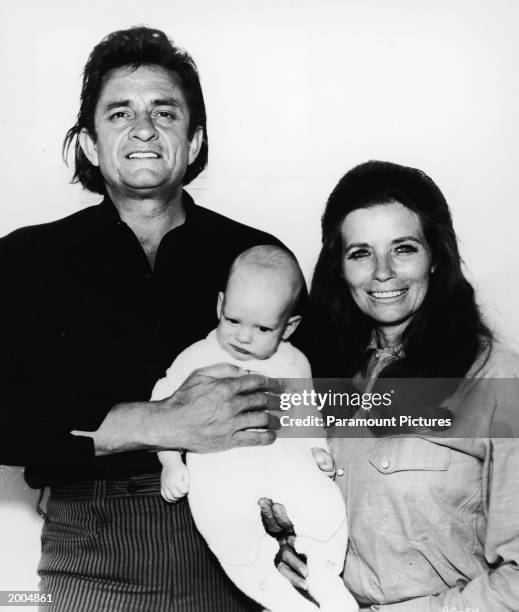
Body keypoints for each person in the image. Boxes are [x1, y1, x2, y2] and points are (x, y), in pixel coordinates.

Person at [0, 26, 293, 612]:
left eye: (165, 111)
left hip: (241, 546)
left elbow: (314, 397)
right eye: (119, 113)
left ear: (194, 138)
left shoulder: (259, 259)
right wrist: (158, 423)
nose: (143, 129)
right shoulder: (23, 259)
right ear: (89, 142)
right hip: (91, 554)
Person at [262, 161, 519, 611]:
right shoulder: (318, 373)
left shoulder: (499, 381)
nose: (382, 271)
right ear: (339, 268)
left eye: (403, 248)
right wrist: (289, 549)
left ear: (436, 256)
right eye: (360, 252)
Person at [152, 244, 356, 612]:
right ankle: (275, 596)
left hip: (287, 462)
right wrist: (171, 462)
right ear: (219, 306)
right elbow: (162, 410)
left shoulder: (294, 360)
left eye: (262, 328)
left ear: (288, 326)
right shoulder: (196, 358)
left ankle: (325, 574)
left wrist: (318, 449)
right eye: (232, 321)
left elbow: (306, 409)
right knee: (226, 527)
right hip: (222, 470)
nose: (243, 337)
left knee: (323, 505)